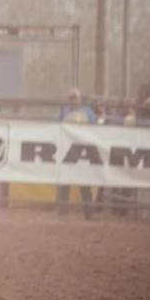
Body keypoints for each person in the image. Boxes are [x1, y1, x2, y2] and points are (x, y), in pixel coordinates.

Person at [57, 87, 96, 218]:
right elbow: (57, 125)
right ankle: (62, 212)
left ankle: (89, 213)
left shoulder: (88, 111)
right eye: (71, 98)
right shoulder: (64, 111)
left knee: (84, 182)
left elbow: (95, 126)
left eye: (75, 98)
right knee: (64, 181)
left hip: (83, 150)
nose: (73, 101)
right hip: (67, 149)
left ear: (80, 99)